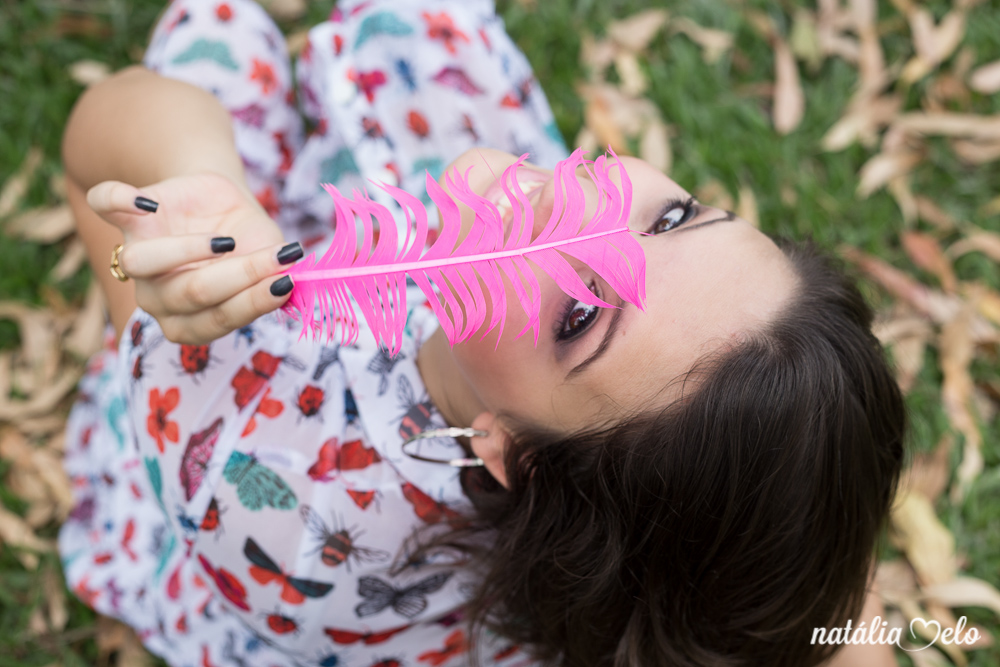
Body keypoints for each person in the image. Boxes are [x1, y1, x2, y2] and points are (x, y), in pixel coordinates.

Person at [58, 0, 906, 666]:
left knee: (219, 30)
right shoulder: (725, 588)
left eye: (581, 315)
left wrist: (188, 204)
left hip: (242, 443)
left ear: (513, 455)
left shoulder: (265, 463)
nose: (573, 205)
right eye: (675, 217)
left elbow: (96, 143)